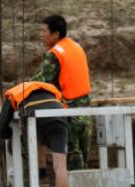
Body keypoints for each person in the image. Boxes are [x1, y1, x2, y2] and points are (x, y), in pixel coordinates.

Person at [0, 81, 78, 187]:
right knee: (60, 168)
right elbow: (68, 115)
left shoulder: (14, 93)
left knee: (33, 130)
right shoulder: (51, 90)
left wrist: (10, 131)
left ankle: (42, 175)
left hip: (35, 117)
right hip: (59, 118)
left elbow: (1, 131)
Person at [31, 14, 92, 171]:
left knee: (73, 165)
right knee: (83, 162)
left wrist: (18, 91)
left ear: (56, 34)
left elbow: (39, 81)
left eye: (44, 31)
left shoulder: (55, 54)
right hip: (86, 113)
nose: (40, 35)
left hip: (69, 114)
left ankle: (41, 170)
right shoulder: (76, 47)